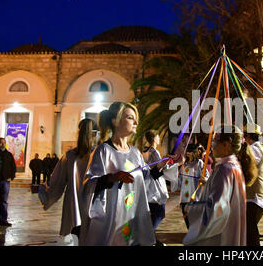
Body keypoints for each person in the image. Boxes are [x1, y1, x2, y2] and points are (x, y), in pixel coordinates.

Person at [79, 101, 158, 246]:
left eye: (135, 118)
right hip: (112, 221)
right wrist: (112, 178)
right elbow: (88, 183)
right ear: (115, 122)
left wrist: (162, 166)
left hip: (134, 219)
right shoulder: (103, 151)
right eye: (129, 117)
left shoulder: (135, 152)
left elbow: (145, 179)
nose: (136, 122)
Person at [183, 125, 257, 246]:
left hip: (222, 236)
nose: (211, 144)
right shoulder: (234, 166)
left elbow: (217, 209)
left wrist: (192, 209)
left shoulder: (224, 169)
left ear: (226, 144)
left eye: (215, 140)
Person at [38, 119, 95, 245]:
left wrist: (45, 192)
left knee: (74, 234)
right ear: (95, 134)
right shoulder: (99, 154)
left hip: (73, 201)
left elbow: (57, 181)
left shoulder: (70, 155)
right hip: (93, 201)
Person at [142, 129, 178, 246]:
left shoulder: (145, 151)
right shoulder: (154, 152)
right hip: (154, 188)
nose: (159, 139)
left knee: (154, 213)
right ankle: (147, 236)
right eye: (158, 137)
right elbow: (158, 169)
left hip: (148, 187)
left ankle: (151, 239)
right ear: (155, 138)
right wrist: (178, 163)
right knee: (159, 213)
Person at [243, 124, 263, 246]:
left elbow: (246, 163)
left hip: (256, 197)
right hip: (255, 196)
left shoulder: (254, 149)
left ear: (248, 136)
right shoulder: (258, 148)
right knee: (249, 231)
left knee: (250, 233)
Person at [177, 143, 209, 229]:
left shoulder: (199, 163)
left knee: (194, 221)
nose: (188, 153)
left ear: (194, 152)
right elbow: (180, 179)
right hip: (184, 197)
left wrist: (204, 179)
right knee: (187, 220)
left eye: (191, 151)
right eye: (188, 150)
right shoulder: (184, 164)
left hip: (195, 197)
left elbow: (206, 176)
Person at [0, 137, 16, 227]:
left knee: (4, 201)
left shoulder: (8, 154)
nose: (2, 144)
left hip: (5, 180)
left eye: (4, 142)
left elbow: (13, 166)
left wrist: (11, 176)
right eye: (0, 143)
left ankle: (3, 220)